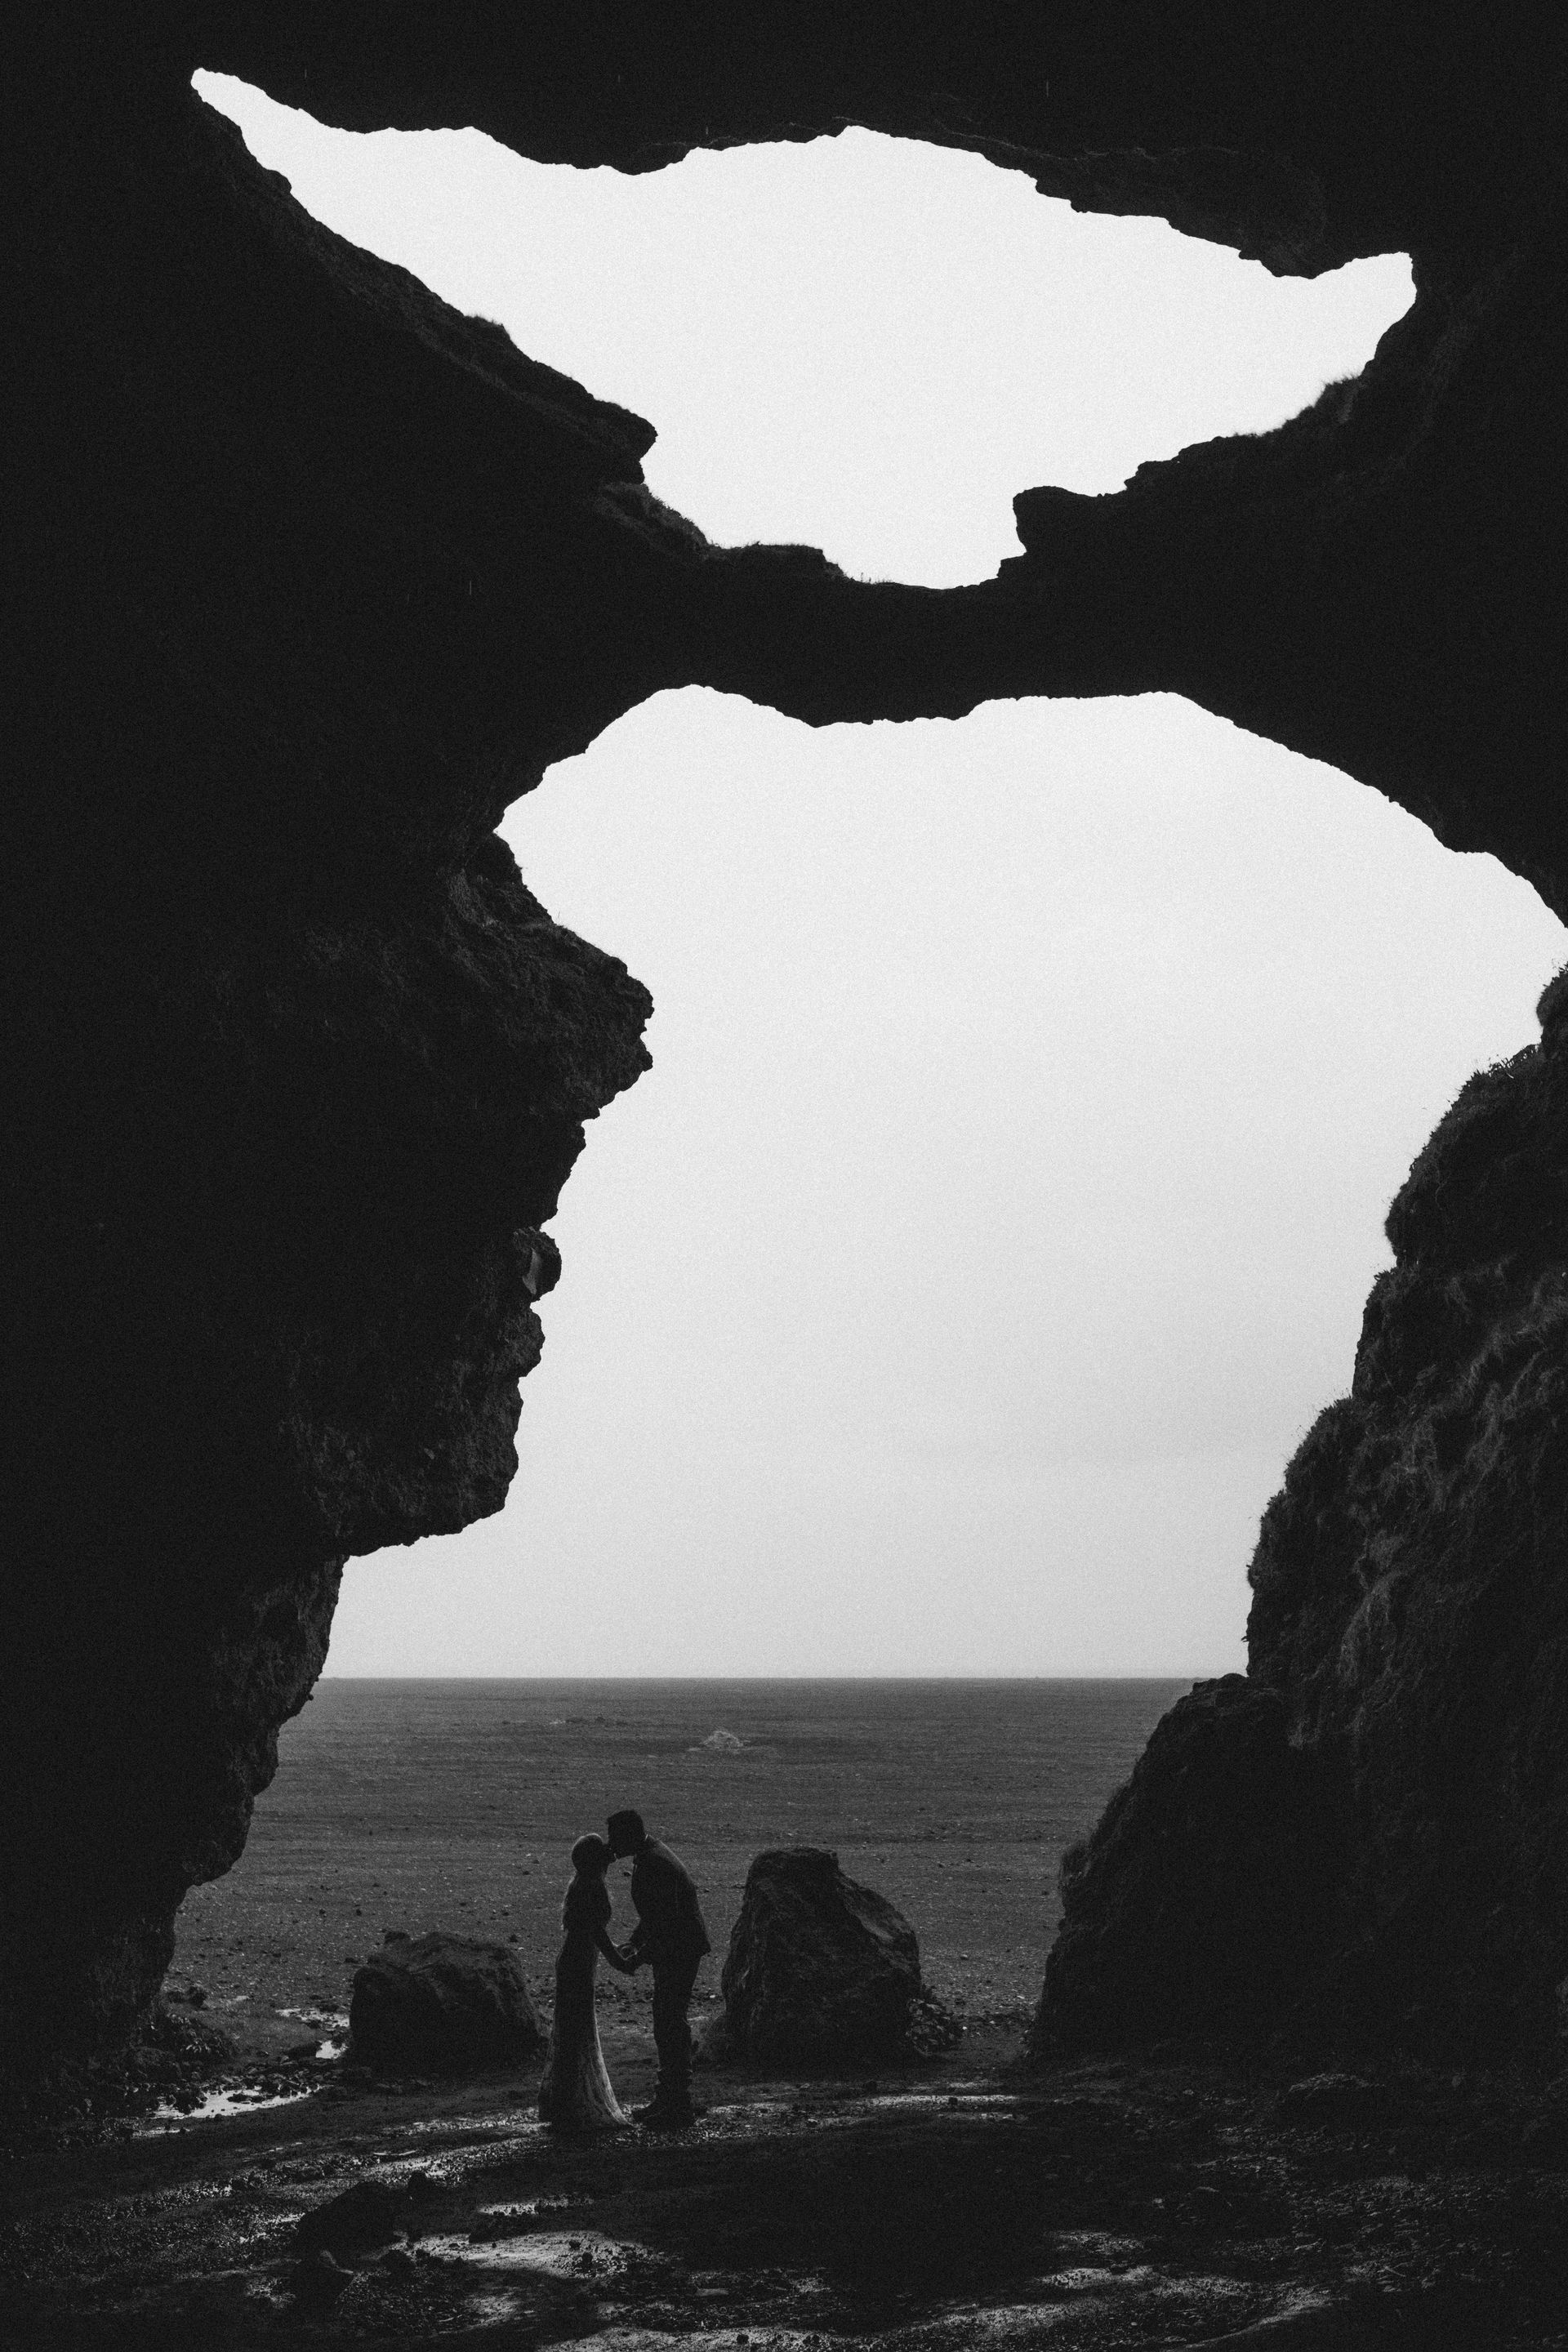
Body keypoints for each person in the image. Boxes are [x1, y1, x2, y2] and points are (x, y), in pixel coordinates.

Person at [606, 1807, 711, 2127]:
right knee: (667, 2018)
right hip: (679, 1948)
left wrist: (636, 1957)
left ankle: (677, 2103)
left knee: (670, 2021)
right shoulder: (651, 1856)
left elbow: (666, 1924)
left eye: (615, 1837)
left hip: (679, 1950)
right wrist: (636, 1943)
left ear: (629, 1835)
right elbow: (655, 1916)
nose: (611, 1845)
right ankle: (670, 2097)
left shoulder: (654, 1864)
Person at [537, 1833, 636, 2131]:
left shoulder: (582, 1884)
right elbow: (596, 1932)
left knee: (571, 2032)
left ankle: (564, 2102)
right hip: (580, 1963)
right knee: (576, 2031)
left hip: (576, 1960)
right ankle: (571, 2105)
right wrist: (619, 1961)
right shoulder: (593, 1887)